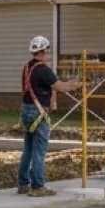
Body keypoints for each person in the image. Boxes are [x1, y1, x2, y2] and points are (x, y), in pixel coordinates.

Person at [18, 35, 77, 196]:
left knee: (28, 148)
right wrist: (74, 85)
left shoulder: (26, 68)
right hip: (39, 112)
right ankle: (38, 186)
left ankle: (23, 184)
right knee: (39, 150)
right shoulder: (43, 70)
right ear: (43, 51)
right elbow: (60, 87)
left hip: (26, 110)